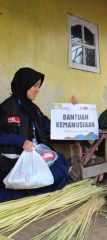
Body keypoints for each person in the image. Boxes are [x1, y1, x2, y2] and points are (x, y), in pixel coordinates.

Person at [0, 67, 69, 202]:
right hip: (14, 161)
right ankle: (22, 191)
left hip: (35, 156)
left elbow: (46, 124)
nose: (37, 90)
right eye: (34, 85)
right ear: (24, 84)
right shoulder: (6, 108)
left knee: (61, 161)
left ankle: (25, 190)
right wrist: (21, 142)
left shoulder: (33, 108)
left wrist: (70, 116)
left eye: (39, 86)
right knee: (54, 176)